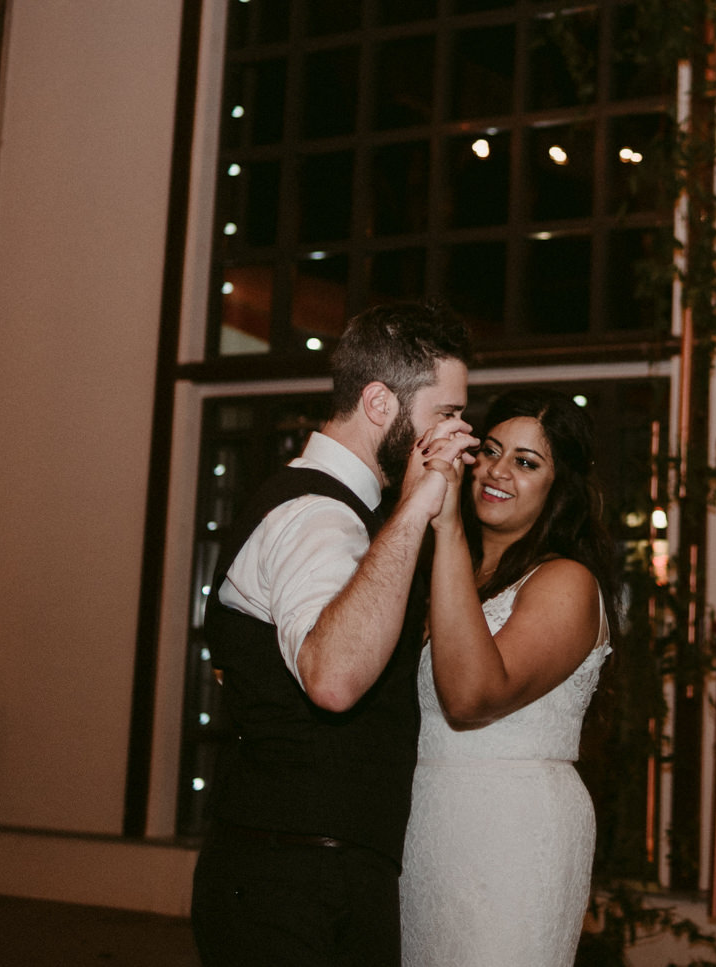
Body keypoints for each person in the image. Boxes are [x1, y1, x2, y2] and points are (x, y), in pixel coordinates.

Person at [191, 301, 476, 967]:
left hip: (320, 876)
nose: (461, 432)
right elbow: (335, 678)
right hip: (291, 889)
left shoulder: (350, 516)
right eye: (447, 412)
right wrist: (418, 505)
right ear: (380, 402)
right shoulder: (315, 517)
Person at [400, 388, 622, 967]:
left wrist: (446, 529)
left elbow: (473, 698)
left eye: (526, 463)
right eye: (491, 451)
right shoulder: (450, 571)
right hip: (428, 822)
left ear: (560, 485)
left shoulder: (567, 581)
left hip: (515, 831)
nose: (497, 472)